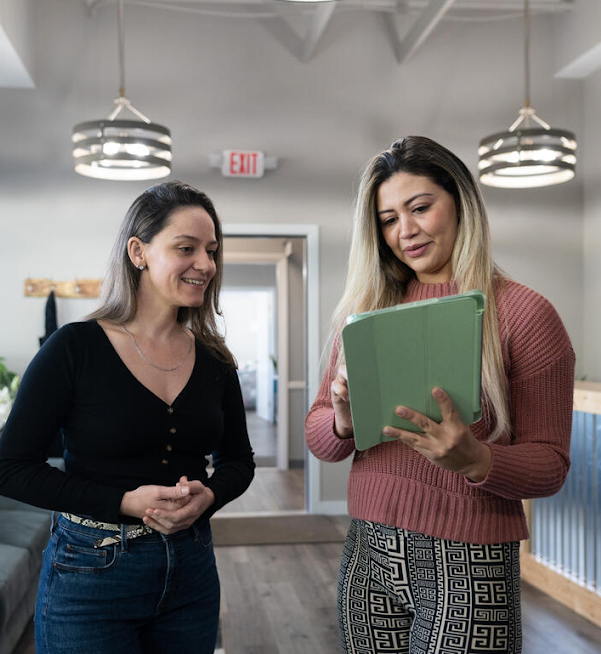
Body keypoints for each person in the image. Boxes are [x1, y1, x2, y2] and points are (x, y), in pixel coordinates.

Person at [305, 136, 575, 654]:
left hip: (470, 559)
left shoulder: (525, 315)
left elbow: (552, 465)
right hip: (369, 550)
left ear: (461, 203)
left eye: (420, 208)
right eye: (387, 219)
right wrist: (342, 420)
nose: (405, 231)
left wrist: (477, 459)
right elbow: (321, 437)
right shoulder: (362, 313)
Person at [0, 181, 255, 653]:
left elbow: (239, 460)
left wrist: (209, 496)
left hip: (192, 568)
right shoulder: (73, 349)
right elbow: (10, 467)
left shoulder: (216, 360)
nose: (206, 264)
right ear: (138, 251)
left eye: (212, 250)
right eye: (187, 248)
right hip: (89, 574)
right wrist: (124, 501)